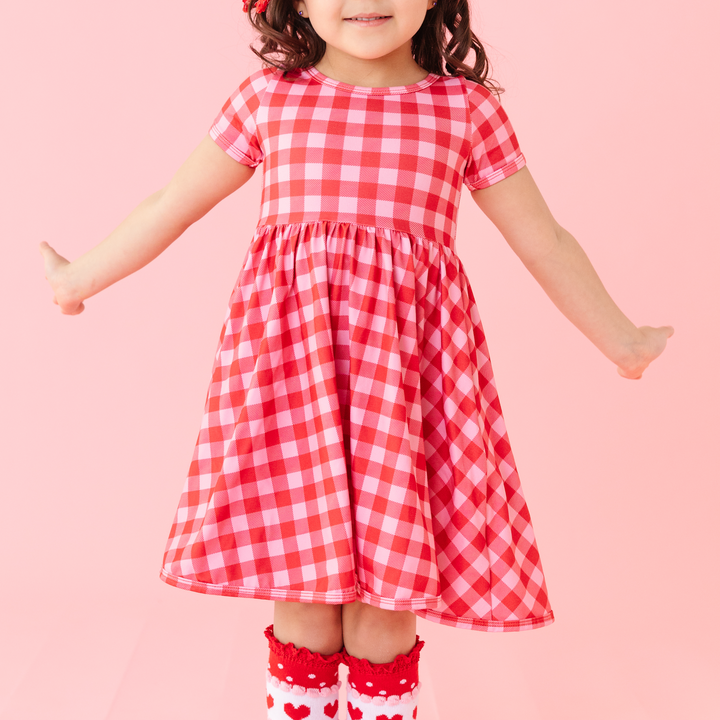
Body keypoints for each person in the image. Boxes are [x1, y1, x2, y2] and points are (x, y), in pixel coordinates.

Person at [39, 0, 674, 718]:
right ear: (296, 3)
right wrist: (78, 278)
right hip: (294, 378)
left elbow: (544, 240)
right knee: (305, 594)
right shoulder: (271, 100)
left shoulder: (463, 111)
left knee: (384, 605)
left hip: (408, 386)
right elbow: (171, 203)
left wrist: (622, 339)